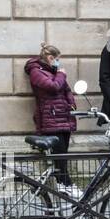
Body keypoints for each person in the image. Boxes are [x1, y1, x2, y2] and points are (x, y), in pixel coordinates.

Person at [25, 44, 80, 198]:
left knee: (63, 154)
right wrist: (62, 75)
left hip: (63, 117)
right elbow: (53, 87)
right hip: (51, 119)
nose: (58, 62)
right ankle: (65, 184)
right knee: (59, 155)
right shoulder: (36, 72)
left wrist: (72, 105)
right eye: (57, 59)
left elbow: (66, 90)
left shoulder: (53, 71)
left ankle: (64, 185)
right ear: (50, 58)